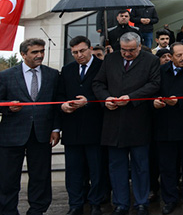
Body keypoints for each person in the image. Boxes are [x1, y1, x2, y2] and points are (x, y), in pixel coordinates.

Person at [92, 32, 160, 215]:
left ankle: (141, 203)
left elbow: (154, 85)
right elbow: (98, 83)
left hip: (138, 121)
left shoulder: (150, 60)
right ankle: (120, 203)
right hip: (113, 122)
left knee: (140, 166)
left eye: (131, 50)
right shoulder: (110, 59)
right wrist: (105, 99)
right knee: (116, 166)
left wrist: (130, 98)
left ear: (139, 46)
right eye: (124, 50)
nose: (127, 54)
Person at [0, 38, 60, 215]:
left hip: (41, 134)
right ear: (23, 54)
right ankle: (7, 210)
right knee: (8, 178)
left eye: (42, 51)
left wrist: (56, 129)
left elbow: (56, 103)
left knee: (40, 177)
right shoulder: (6, 75)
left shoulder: (52, 75)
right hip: (11, 134)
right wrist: (8, 106)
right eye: (35, 52)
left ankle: (37, 210)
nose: (40, 55)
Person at [58, 36, 107, 215]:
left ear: (90, 48)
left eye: (82, 51)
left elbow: (107, 93)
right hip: (72, 128)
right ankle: (75, 204)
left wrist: (89, 101)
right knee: (73, 171)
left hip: (95, 128)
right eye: (75, 53)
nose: (79, 55)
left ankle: (95, 203)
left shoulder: (102, 67)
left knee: (96, 168)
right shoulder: (67, 70)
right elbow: (60, 94)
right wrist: (62, 105)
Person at [153, 42, 183, 214]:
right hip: (165, 127)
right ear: (171, 57)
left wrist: (179, 101)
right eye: (179, 55)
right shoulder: (161, 71)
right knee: (167, 167)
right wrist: (155, 101)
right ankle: (170, 199)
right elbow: (154, 90)